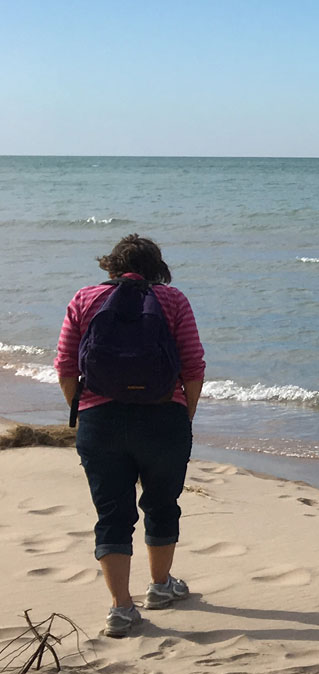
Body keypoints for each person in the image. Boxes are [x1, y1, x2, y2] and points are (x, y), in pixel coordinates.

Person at [56, 234, 205, 638]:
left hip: (100, 421)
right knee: (161, 503)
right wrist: (183, 414)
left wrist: (83, 407)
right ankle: (160, 588)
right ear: (157, 268)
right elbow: (193, 366)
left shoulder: (85, 299)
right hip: (162, 419)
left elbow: (66, 365)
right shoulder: (173, 301)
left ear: (111, 266)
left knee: (112, 514)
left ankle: (121, 609)